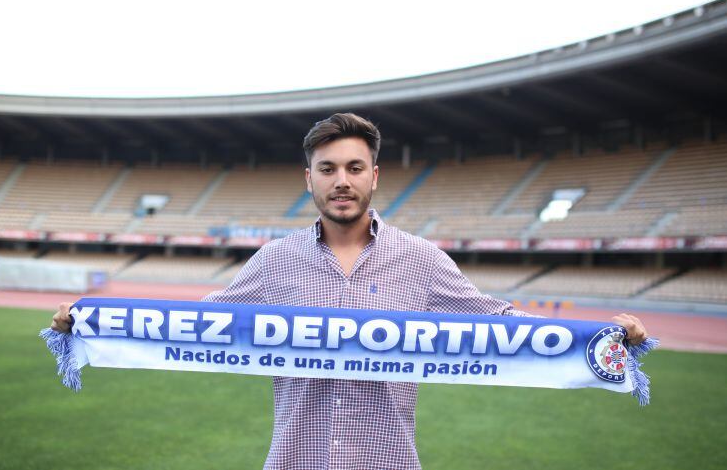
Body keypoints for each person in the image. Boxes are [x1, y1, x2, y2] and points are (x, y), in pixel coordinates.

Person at [52, 112, 648, 470]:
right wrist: (91, 324)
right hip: (295, 459)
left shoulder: (421, 260)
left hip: (387, 460)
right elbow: (192, 325)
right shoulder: (275, 261)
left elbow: (502, 323)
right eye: (328, 169)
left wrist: (601, 339)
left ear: (374, 176)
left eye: (355, 168)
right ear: (308, 178)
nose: (342, 181)